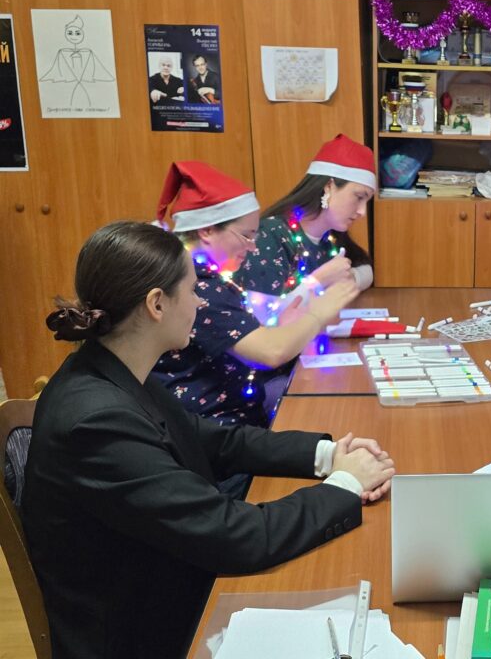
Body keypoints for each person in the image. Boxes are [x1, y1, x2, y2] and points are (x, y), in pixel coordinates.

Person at [21, 220, 395, 659]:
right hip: (146, 629)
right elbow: (233, 536)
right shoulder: (96, 421)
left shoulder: (112, 367)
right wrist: (346, 485)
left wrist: (328, 454)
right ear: (156, 304)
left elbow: (212, 440)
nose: (201, 301)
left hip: (168, 577)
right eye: (193, 290)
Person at [152, 162, 359, 429]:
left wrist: (285, 324)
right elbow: (270, 353)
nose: (252, 247)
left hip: (230, 417)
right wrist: (319, 313)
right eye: (246, 236)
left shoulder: (205, 277)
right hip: (215, 428)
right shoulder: (196, 287)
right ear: (206, 231)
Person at [237, 134, 376, 297]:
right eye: (359, 197)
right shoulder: (270, 235)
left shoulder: (330, 237)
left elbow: (366, 269)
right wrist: (319, 280)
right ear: (329, 186)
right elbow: (264, 311)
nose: (362, 212)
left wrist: (349, 278)